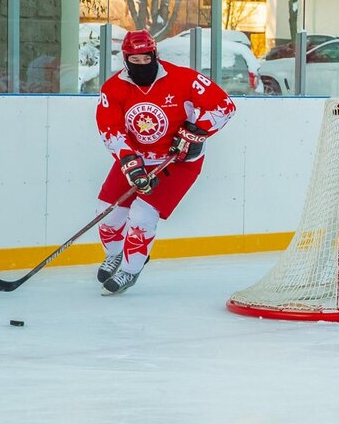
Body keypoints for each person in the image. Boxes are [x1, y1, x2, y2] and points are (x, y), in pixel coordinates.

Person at [94, 29, 236, 295]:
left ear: (154, 55)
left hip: (178, 162)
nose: (140, 64)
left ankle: (130, 269)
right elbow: (110, 127)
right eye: (133, 60)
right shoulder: (113, 88)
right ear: (126, 59)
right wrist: (127, 158)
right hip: (135, 158)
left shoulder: (183, 78)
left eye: (145, 59)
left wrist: (197, 130)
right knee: (108, 214)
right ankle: (115, 254)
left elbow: (223, 106)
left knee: (141, 215)